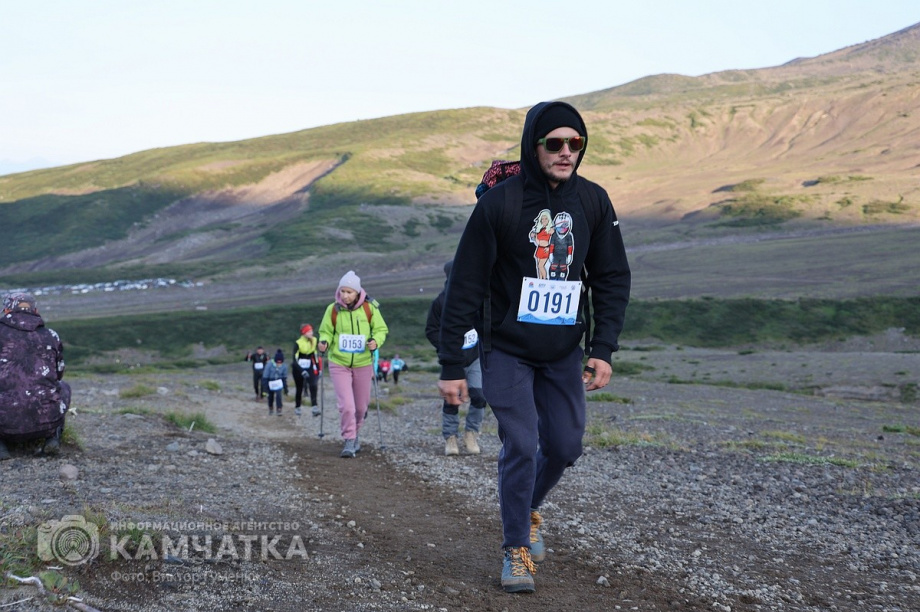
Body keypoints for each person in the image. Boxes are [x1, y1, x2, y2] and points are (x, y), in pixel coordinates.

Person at [436, 101, 630, 593]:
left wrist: (602, 347)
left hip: (563, 350)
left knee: (565, 446)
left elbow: (611, 277)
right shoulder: (499, 204)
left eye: (575, 143)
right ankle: (515, 549)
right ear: (533, 146)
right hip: (506, 348)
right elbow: (464, 285)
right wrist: (452, 363)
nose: (566, 152)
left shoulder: (594, 201)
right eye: (555, 143)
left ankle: (529, 508)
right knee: (521, 443)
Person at [318, 271, 389, 458]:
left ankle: (355, 434)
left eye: (349, 292)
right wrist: (324, 342)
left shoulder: (370, 308)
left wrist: (375, 341)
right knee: (347, 406)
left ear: (357, 292)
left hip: (363, 362)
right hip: (338, 362)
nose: (345, 295)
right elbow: (326, 331)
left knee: (361, 408)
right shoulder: (332, 309)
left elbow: (381, 329)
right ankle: (349, 440)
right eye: (342, 291)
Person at [0, 292, 72, 460]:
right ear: (35, 311)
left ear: (6, 310)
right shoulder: (51, 335)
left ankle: (1, 446)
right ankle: (52, 438)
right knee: (64, 388)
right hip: (45, 422)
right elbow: (59, 373)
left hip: (4, 424)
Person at [426, 260, 487, 456]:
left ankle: (471, 433)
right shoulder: (440, 302)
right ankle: (450, 437)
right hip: (454, 360)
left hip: (475, 357)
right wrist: (446, 347)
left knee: (480, 396)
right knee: (452, 399)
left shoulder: (478, 299)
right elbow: (431, 330)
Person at [292, 324, 321, 417]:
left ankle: (314, 407)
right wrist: (301, 371)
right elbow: (294, 360)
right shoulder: (298, 343)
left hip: (309, 365)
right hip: (298, 367)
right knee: (299, 388)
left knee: (313, 385)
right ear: (304, 333)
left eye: (311, 331)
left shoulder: (314, 340)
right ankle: (298, 407)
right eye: (309, 331)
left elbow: (315, 355)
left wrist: (318, 368)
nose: (311, 333)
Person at [261, 349, 288, 416]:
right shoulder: (269, 364)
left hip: (279, 381)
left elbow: (284, 377)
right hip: (270, 381)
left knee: (279, 395)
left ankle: (279, 409)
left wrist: (285, 388)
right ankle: (271, 408)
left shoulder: (284, 366)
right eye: (277, 362)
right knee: (270, 396)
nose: (279, 364)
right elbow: (265, 376)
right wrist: (265, 388)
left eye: (280, 363)